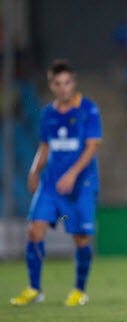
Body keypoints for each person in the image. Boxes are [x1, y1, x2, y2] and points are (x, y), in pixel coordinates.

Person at [10, 59, 102, 307]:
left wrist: (72, 174)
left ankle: (79, 290)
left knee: (81, 238)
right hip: (51, 184)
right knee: (34, 230)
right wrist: (33, 171)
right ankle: (34, 289)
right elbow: (45, 146)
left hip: (81, 184)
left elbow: (91, 147)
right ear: (52, 85)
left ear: (73, 82)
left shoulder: (88, 110)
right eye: (58, 84)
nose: (64, 88)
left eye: (68, 82)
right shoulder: (48, 113)